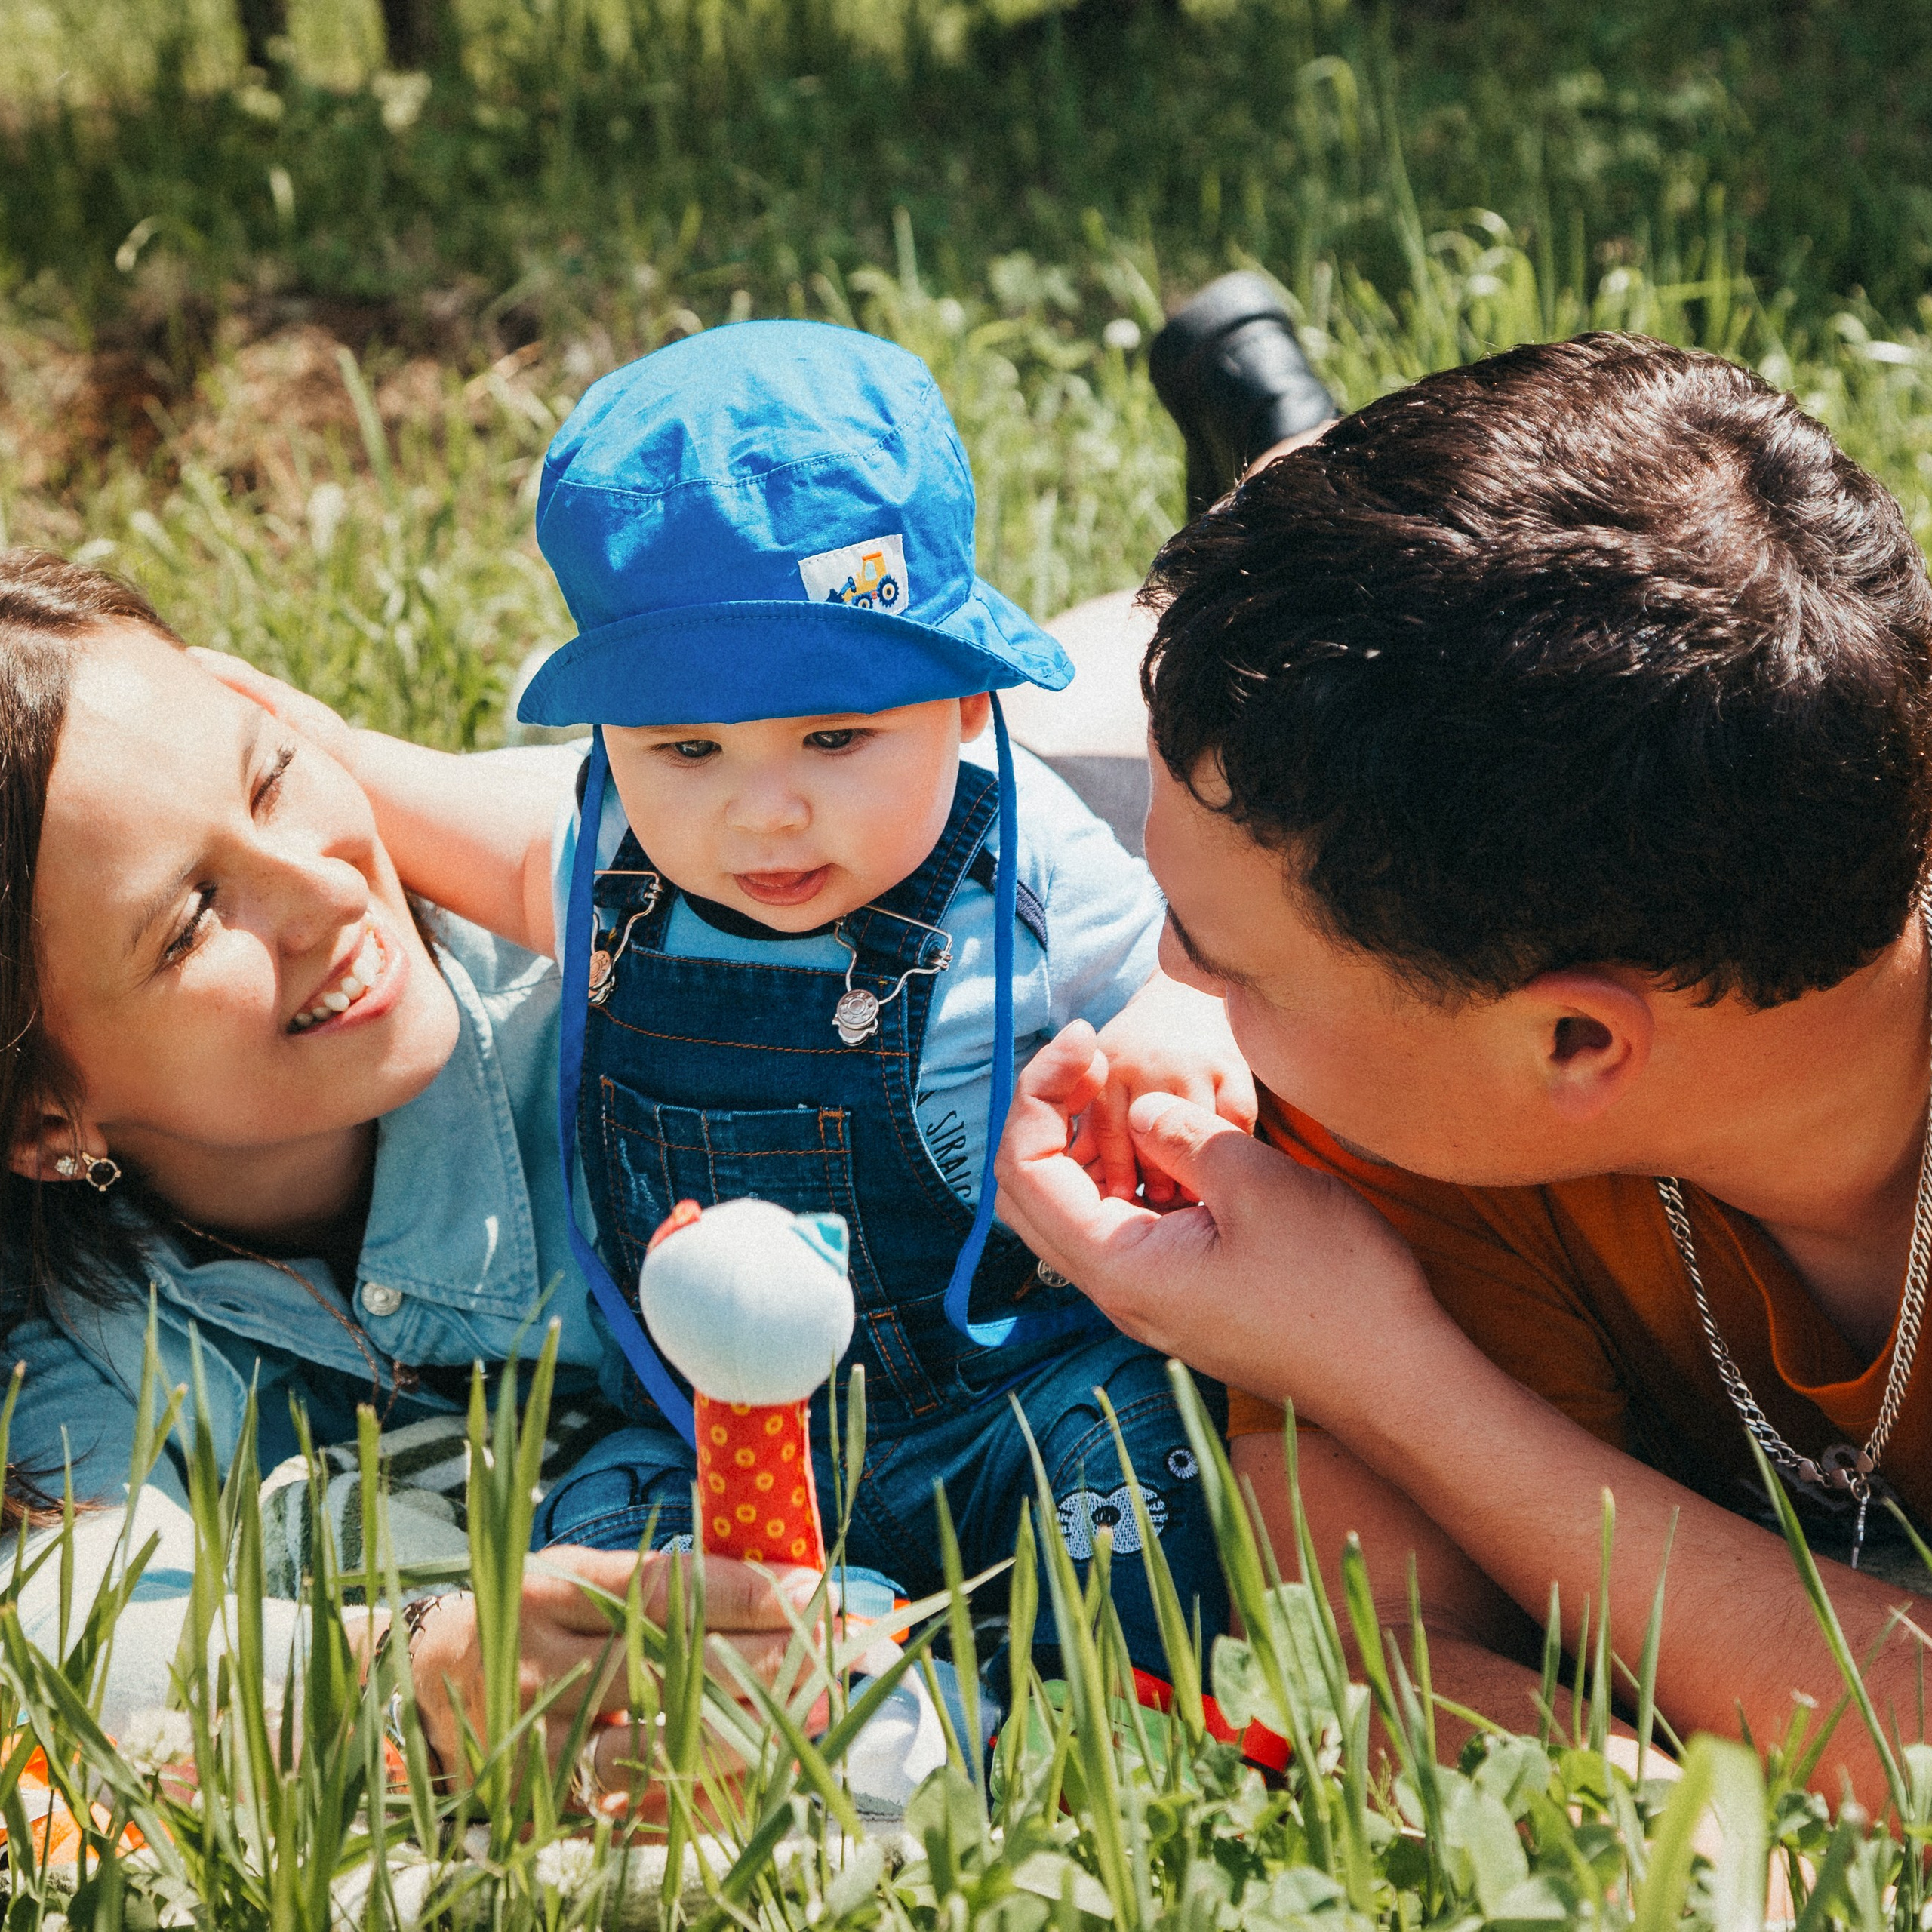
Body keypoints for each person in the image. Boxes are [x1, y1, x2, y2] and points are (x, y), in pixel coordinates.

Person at [221, 321, 1256, 1700]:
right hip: (711, 1435)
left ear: (964, 700)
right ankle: (863, 1718)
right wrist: (313, 746)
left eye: (834, 737)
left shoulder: (1027, 863)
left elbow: (1205, 952)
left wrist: (1178, 1009)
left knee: (1148, 1455)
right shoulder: (607, 870)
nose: (764, 812)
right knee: (608, 1557)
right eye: (688, 749)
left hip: (1004, 1393)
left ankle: (1099, 1723)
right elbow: (444, 821)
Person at [994, 328, 1932, 1810]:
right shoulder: (1402, 1103)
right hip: (1157, 797)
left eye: (1222, 963)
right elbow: (1378, 1663)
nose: (1169, 982)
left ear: (1573, 1043)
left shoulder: (1423, 1077)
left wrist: (1384, 1371)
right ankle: (1281, 455)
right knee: (1005, 756)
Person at [0, 549, 804, 1787]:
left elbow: (976, 858)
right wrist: (413, 1671)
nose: (325, 888)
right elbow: (71, 1640)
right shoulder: (74, 1317)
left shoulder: (622, 915)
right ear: (44, 1121)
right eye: (193, 918)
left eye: (272, 778)